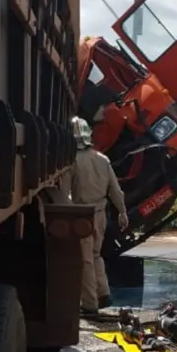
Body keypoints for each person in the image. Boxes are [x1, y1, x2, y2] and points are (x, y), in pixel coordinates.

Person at [63, 116, 129, 315]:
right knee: (96, 255)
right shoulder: (103, 159)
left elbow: (65, 194)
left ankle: (90, 304)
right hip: (101, 215)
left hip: (83, 216)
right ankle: (104, 294)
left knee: (85, 261)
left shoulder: (71, 162)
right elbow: (116, 191)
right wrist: (123, 212)